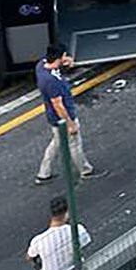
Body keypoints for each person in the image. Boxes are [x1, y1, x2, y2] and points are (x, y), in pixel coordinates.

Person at [34, 44, 101, 185]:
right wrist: (70, 123)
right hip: (62, 118)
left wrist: (64, 64)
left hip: (53, 117)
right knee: (74, 143)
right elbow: (58, 105)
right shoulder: (51, 82)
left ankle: (43, 173)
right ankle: (85, 170)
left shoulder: (41, 66)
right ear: (60, 57)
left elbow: (55, 67)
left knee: (56, 143)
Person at [25, 196, 92, 270]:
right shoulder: (77, 230)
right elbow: (86, 242)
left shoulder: (39, 240)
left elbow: (29, 257)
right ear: (67, 212)